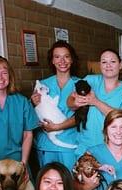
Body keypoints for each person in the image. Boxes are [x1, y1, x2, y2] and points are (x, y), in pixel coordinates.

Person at [68, 48, 122, 154]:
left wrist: (95, 102)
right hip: (86, 145)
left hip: (113, 147)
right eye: (104, 62)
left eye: (113, 61)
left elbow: (121, 118)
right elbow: (70, 102)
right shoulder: (90, 80)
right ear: (100, 65)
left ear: (120, 65)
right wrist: (75, 103)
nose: (108, 65)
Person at [31, 41, 80, 169]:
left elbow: (83, 115)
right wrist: (32, 104)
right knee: (48, 184)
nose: (62, 61)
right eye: (57, 57)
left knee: (69, 183)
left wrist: (58, 126)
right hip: (46, 145)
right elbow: (34, 116)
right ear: (52, 61)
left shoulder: (81, 84)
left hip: (70, 143)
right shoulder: (42, 85)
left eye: (66, 56)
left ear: (72, 59)